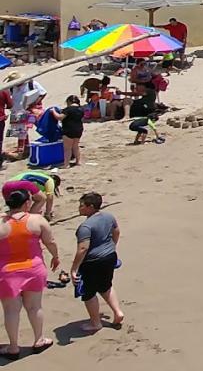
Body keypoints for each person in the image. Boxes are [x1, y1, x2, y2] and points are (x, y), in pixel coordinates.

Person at [0, 187, 58, 355]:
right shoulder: (37, 220)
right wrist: (55, 256)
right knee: (34, 307)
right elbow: (50, 241)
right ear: (27, 203)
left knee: (11, 310)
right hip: (33, 269)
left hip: (7, 271)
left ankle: (13, 347)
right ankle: (39, 340)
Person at [69, 192, 125, 332]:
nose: (79, 208)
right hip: (110, 256)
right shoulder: (108, 217)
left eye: (82, 206)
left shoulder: (86, 227)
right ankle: (118, 312)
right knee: (106, 286)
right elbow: (116, 232)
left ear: (91, 207)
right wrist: (112, 246)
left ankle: (95, 323)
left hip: (93, 261)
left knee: (89, 292)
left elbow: (83, 248)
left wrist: (74, 268)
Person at [57, 96, 84, 168]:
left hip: (69, 130)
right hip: (79, 129)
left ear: (69, 102)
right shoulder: (81, 109)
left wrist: (53, 112)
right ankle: (78, 161)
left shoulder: (68, 109)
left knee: (67, 148)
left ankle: (66, 164)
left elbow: (60, 117)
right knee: (75, 146)